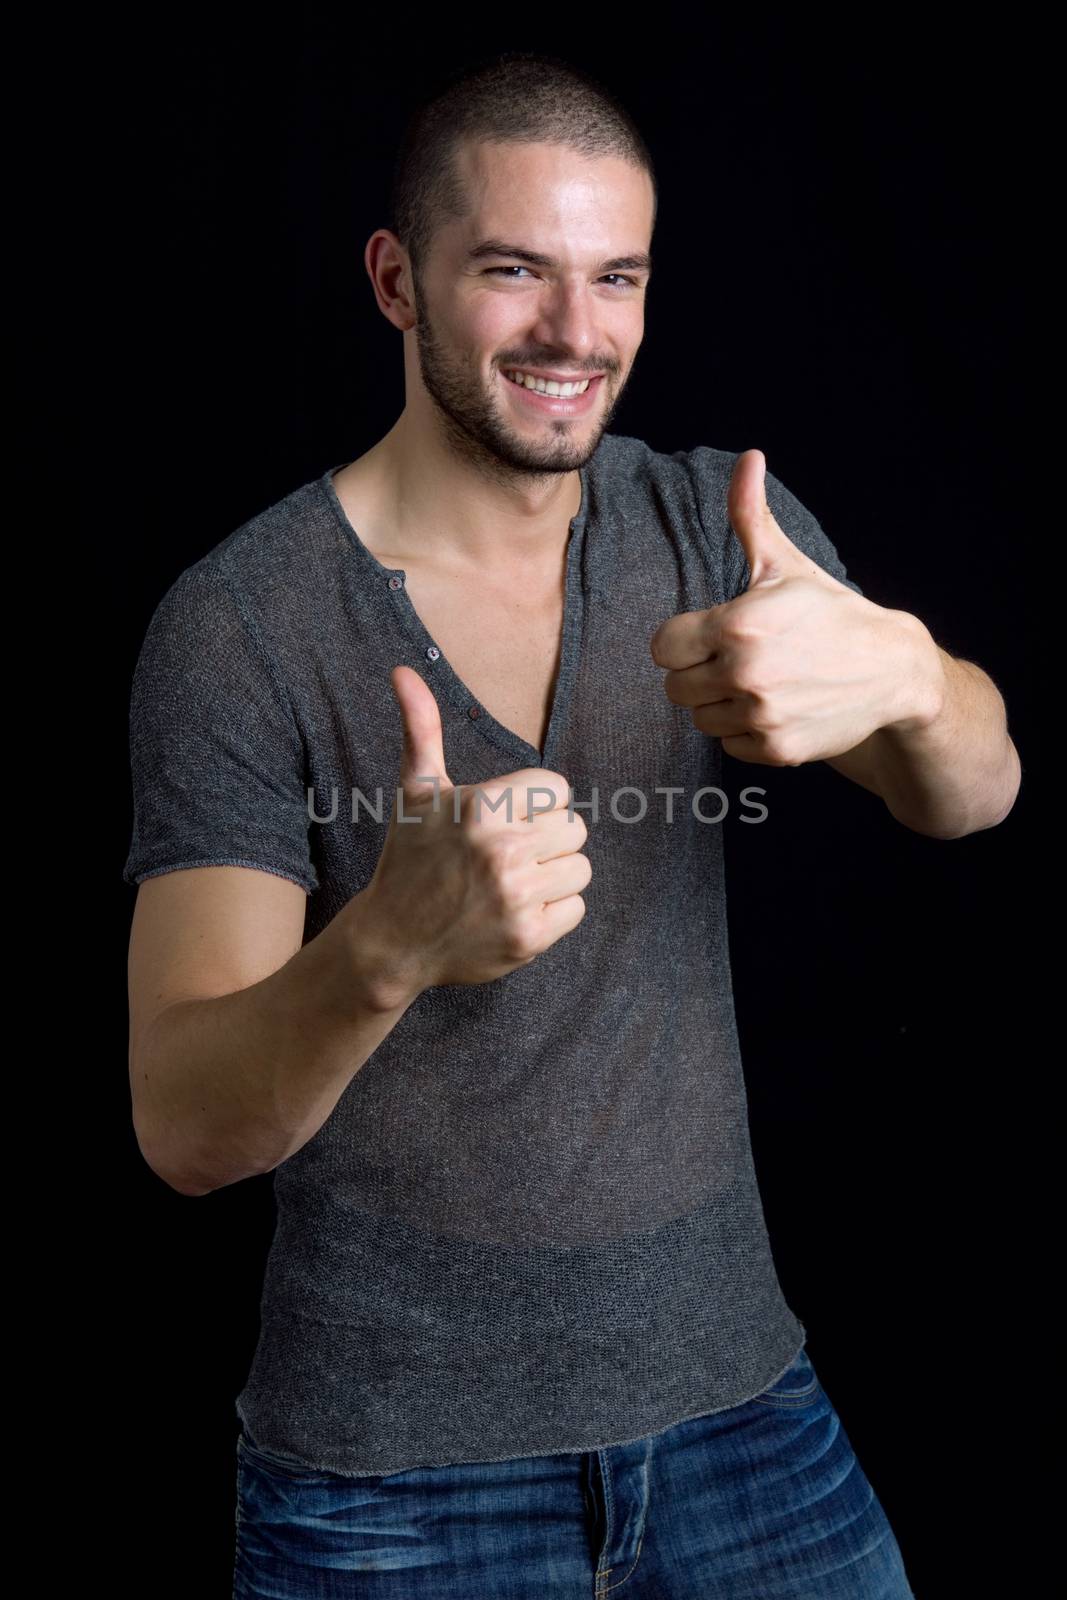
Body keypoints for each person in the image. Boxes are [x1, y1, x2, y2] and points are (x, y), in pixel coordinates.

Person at [124, 49, 1018, 1600]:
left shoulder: (712, 526)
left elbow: (976, 791)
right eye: (516, 271)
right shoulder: (243, 624)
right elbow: (185, 1128)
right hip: (390, 1487)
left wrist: (915, 675)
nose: (575, 333)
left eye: (619, 277)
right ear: (397, 281)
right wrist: (389, 947)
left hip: (743, 1413)